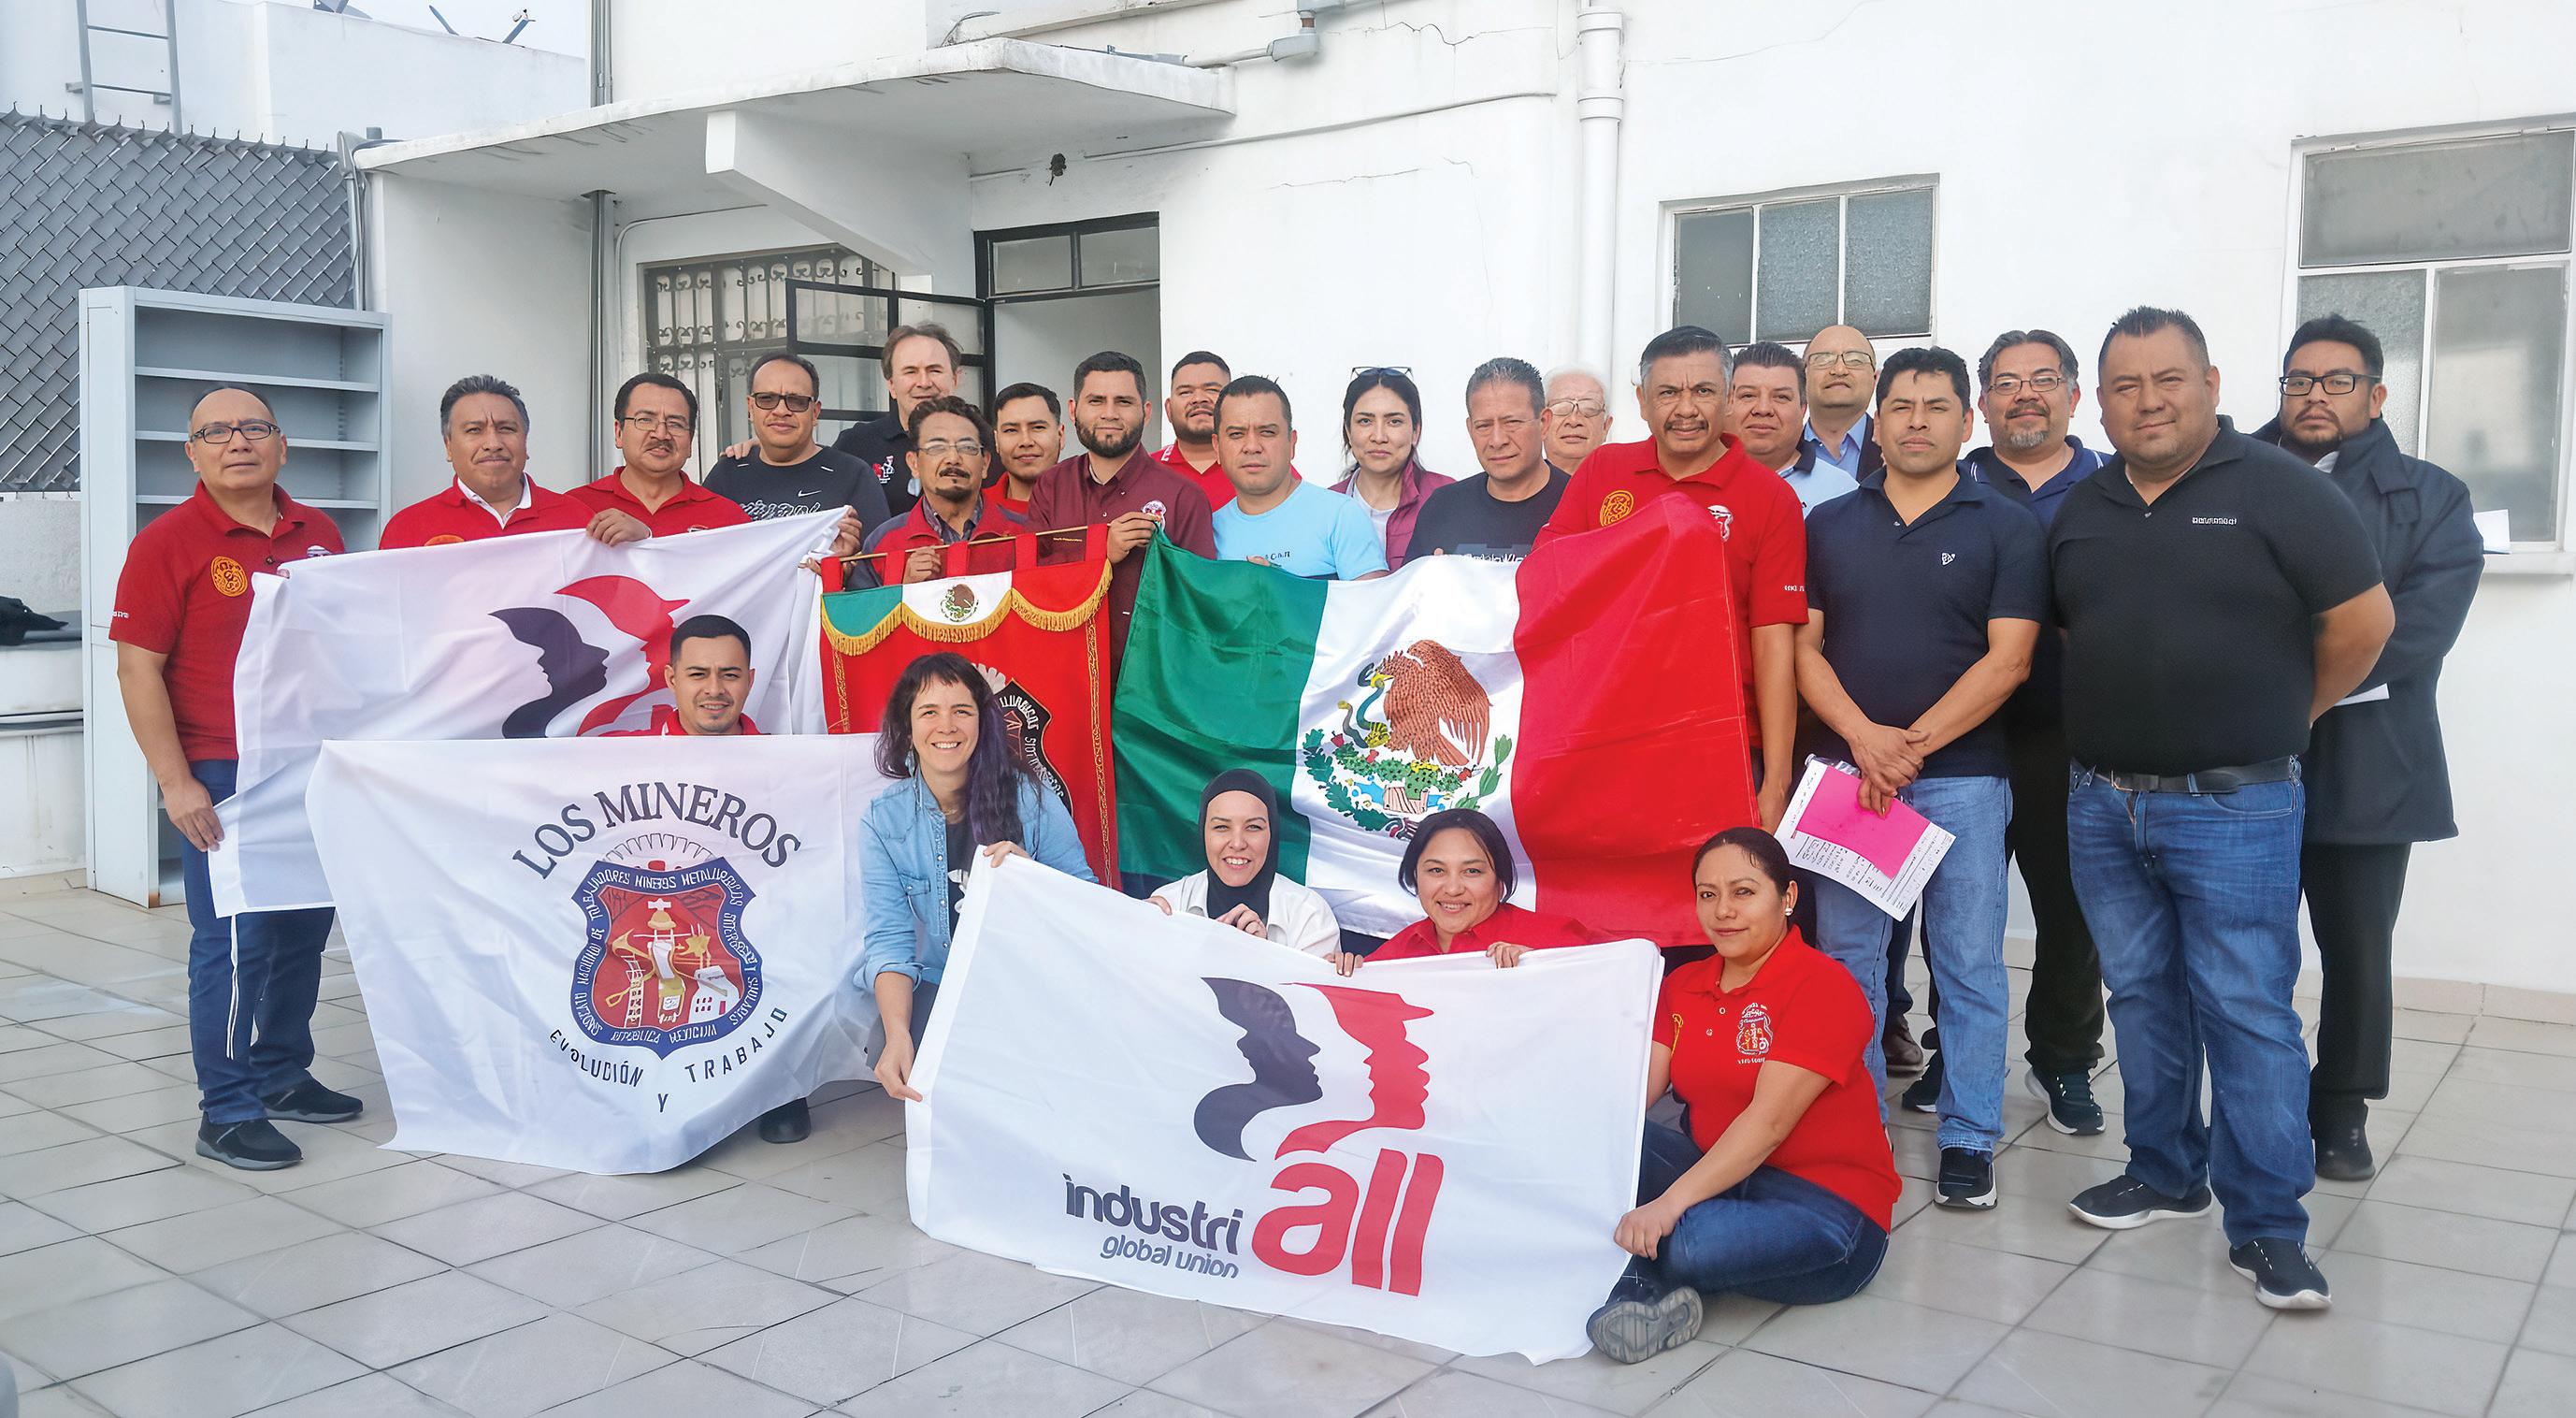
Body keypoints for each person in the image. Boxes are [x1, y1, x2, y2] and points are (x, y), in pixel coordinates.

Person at [2053, 307, 2393, 1310]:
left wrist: (2283, 716)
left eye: (2168, 380)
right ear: (2099, 401)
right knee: (2140, 995)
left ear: (2209, 383)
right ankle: (2165, 1170)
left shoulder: (2282, 490)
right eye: (2125, 386)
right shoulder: (2080, 507)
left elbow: (2363, 625)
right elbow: (2075, 633)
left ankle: (2268, 1225)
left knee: (2246, 1009)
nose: (2147, 401)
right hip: (2102, 804)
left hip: (2236, 806)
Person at [1796, 346, 2041, 1210]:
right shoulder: (1828, 523)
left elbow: (2009, 661)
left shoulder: (2006, 525)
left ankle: (1969, 1138)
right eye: (1901, 405)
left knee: (1966, 962)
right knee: (1847, 962)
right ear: (1879, 417)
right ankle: (1853, 1124)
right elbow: (1802, 649)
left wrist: (1907, 748)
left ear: (1967, 421)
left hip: (1963, 780)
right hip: (1848, 778)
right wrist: (1864, 741)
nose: (1916, 421)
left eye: (1936, 407)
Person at [2254, 313, 2482, 1181]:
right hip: (2241, 754)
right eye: (2298, 380)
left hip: (2368, 759)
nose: (2314, 396)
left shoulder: (2430, 497)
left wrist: (2289, 686)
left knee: (2355, 949)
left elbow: (2415, 630)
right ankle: (2253, 1099)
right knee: (2240, 945)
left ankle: (2342, 1110)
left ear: (2376, 394)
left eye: (2337, 381)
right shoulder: (2231, 477)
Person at [111, 386, 354, 1170]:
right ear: (192, 453)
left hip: (306, 766)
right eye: (216, 432)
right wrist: (175, 782)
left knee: (301, 931)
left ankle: (281, 1071)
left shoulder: (320, 535)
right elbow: (137, 670)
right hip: (220, 770)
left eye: (254, 428)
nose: (237, 442)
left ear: (283, 445)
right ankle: (226, 1107)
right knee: (231, 942)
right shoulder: (166, 544)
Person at [1585, 828, 1896, 1363]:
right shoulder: (1684, 984)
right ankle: (1644, 1286)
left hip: (1827, 1210)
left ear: (1788, 897)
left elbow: (1767, 1125)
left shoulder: (1823, 986)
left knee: (1692, 1241)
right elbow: (1635, 1095)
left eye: (1743, 892)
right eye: (1708, 894)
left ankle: (1636, 1281)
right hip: (1724, 1176)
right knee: (1607, 1146)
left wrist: (1668, 1205)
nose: (1723, 911)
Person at [1538, 326, 1807, 832]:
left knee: (1715, 882)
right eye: (1667, 393)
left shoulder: (1771, 498)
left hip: (1720, 743)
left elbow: (1774, 643)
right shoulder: (1602, 471)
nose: (1686, 409)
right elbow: (1547, 584)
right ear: (1642, 401)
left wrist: (1776, 781)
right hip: (1606, 737)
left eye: (1703, 391)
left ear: (1728, 398)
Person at [1960, 329, 2114, 1136]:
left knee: (2070, 908)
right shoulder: (1949, 485)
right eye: (2006, 382)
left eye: (2043, 379)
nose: (2025, 394)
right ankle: (1955, 1053)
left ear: (2073, 396)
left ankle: (2062, 1056)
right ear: (1982, 403)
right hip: (1959, 736)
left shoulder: (2113, 489)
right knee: (1956, 910)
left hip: (2071, 737)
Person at [601, 614, 816, 1144]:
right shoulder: (616, 757)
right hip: (654, 923)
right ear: (671, 679)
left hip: (750, 926)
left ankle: (781, 1086)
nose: (715, 690)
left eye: (730, 674)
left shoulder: (791, 763)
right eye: (698, 674)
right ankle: (658, 1086)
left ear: (751, 679)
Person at [859, 652, 1097, 1100]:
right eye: (929, 712)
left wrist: (1032, 886)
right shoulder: (883, 820)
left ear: (982, 723)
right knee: (893, 1048)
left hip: (1030, 981)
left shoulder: (1032, 800)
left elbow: (1087, 903)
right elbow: (888, 940)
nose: (947, 726)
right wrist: (899, 1034)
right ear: (907, 727)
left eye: (962, 711)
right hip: (946, 982)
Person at [1026, 351, 1217, 655]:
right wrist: (1099, 551)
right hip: (1065, 666)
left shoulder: (1183, 496)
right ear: (1073, 410)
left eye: (1123, 402)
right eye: (1096, 401)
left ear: (1146, 412)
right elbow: (1028, 580)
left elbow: (1200, 603)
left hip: (1150, 674)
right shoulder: (1051, 487)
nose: (1109, 413)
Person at [379, 375, 600, 548]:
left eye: (506, 429)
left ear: (525, 442)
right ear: (448, 446)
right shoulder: (407, 529)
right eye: (474, 430)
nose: (493, 444)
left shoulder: (578, 519)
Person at [1149, 770, 1346, 960]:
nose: (1237, 843)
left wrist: (1262, 958)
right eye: (1221, 827)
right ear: (1203, 832)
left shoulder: (1309, 914)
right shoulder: (1168, 905)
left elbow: (1315, 984)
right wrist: (1138, 932)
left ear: (1272, 833)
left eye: (1253, 827)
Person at [704, 353, 891, 553]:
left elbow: (881, 560)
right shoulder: (727, 474)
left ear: (815, 413)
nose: (781, 411)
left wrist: (847, 562)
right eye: (766, 399)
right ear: (751, 407)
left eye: (796, 401)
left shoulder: (852, 475)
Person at [1208, 376, 1386, 579]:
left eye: (1267, 432)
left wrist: (1287, 588)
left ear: (1292, 443)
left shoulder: (1340, 516)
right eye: (1236, 434)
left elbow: (1374, 598)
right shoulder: (1209, 532)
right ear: (1217, 447)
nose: (1252, 447)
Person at [1364, 809, 1591, 964]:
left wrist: (1550, 968)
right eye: (1436, 870)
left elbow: (1611, 973)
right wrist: (1347, 973)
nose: (1453, 889)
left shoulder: (1557, 940)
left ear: (1499, 880)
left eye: (1472, 871)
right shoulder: (1394, 955)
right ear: (1415, 876)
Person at [1406, 356, 1570, 560]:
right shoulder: (1442, 508)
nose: (1497, 440)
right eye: (1484, 426)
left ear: (1544, 423)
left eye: (1512, 422)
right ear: (1470, 429)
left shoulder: (1580, 505)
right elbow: (1413, 581)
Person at [860, 397, 1028, 586]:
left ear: (985, 464)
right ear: (914, 464)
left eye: (967, 447)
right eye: (937, 448)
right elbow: (858, 604)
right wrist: (904, 589)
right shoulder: (884, 542)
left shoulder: (1024, 535)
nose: (953, 458)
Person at [570, 373, 752, 537]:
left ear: (690, 441)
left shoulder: (729, 519)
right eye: (645, 420)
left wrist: (647, 537)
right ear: (619, 433)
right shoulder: (576, 507)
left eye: (675, 424)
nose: (661, 434)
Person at [1331, 368, 1453, 570]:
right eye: (1365, 421)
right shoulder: (1325, 507)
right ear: (1348, 431)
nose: (1379, 436)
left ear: (1415, 431)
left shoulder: (1449, 499)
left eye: (1394, 422)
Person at [1726, 341, 1857, 515]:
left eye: (1781, 397)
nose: (1763, 409)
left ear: (1803, 409)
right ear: (1726, 404)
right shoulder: (1696, 480)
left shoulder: (1843, 492)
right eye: (1748, 395)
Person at [1155, 351, 1236, 510]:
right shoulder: (1141, 473)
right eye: (1185, 392)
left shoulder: (1260, 468)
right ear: (1168, 409)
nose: (1199, 399)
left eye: (1212, 390)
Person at [1799, 326, 1882, 478]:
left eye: (1855, 360)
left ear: (1875, 379)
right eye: (1823, 360)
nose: (1839, 370)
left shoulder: (1898, 450)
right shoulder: (1779, 453)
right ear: (1803, 379)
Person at [989, 382, 1063, 520]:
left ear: (1060, 436)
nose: (1026, 441)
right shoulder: (975, 509)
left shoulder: (1089, 504)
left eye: (1038, 428)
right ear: (996, 440)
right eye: (1011, 430)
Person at [1541, 365, 1615, 474]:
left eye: (1588, 409)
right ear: (1541, 423)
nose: (1574, 421)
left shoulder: (1623, 482)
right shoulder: (1517, 481)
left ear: (1606, 426)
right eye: (1562, 408)